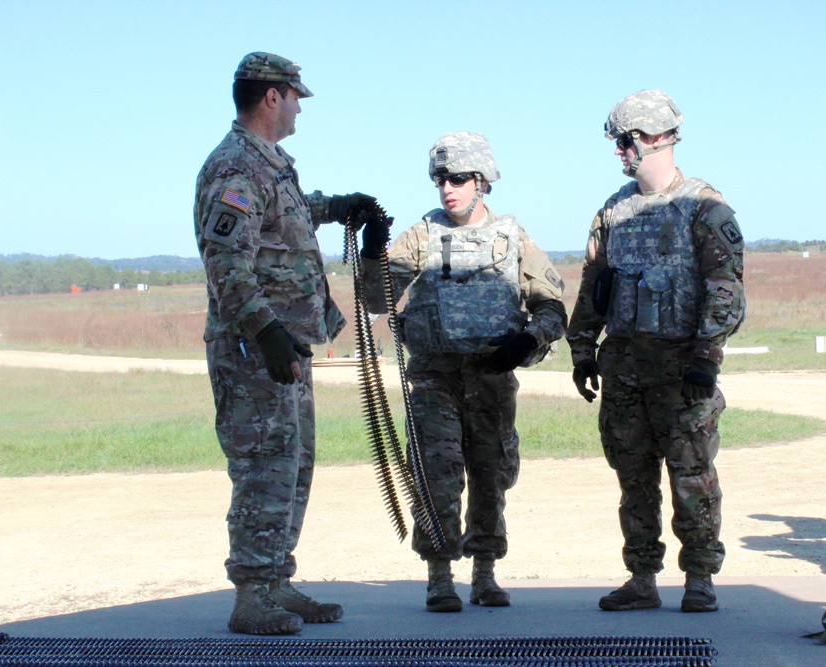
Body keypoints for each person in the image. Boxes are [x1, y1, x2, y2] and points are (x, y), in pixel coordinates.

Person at [194, 52, 377, 635]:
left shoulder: (267, 165)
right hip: (255, 350)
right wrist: (266, 331)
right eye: (296, 96)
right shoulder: (236, 166)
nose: (300, 107)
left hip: (284, 347)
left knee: (292, 466)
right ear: (273, 96)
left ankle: (275, 582)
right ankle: (252, 594)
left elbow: (283, 218)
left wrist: (336, 208)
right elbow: (226, 260)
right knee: (263, 466)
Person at [359, 132, 567, 612]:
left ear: (482, 180)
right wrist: (372, 257)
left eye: (457, 179)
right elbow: (376, 300)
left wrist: (528, 340)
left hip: (491, 378)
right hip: (436, 378)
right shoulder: (421, 236)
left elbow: (553, 307)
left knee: (491, 475)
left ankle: (485, 574)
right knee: (438, 472)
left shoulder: (512, 238)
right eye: (440, 180)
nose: (447, 189)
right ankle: (439, 576)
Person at [567, 90, 745, 613]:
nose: (619, 151)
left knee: (692, 476)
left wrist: (706, 358)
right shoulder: (613, 211)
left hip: (681, 367)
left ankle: (700, 578)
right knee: (633, 478)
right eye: (618, 141)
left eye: (627, 140)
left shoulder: (703, 207)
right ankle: (642, 577)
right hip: (624, 366)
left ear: (660, 137)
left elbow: (725, 288)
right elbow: (594, 285)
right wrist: (582, 349)